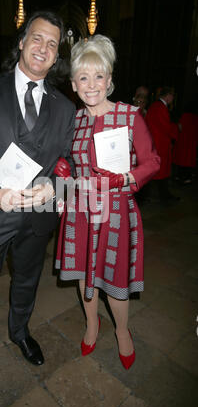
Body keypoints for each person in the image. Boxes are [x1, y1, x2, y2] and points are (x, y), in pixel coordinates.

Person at [0, 10, 76, 404]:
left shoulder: (65, 109)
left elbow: (71, 162)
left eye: (52, 43)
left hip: (37, 217)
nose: (43, 47)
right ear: (22, 42)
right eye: (37, 38)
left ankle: (20, 333)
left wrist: (53, 187)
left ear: (56, 57)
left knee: (26, 280)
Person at [56, 35, 160, 369]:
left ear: (110, 80)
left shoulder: (130, 116)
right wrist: (62, 174)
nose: (91, 84)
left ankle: (123, 331)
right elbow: (68, 164)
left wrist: (124, 179)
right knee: (85, 275)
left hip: (116, 211)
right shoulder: (73, 121)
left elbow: (152, 162)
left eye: (98, 76)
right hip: (81, 210)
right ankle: (91, 324)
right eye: (83, 77)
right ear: (74, 83)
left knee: (115, 280)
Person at [145, 87, 180, 203]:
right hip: (160, 144)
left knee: (154, 172)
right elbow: (166, 127)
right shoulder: (160, 107)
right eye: (172, 96)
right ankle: (164, 197)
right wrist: (177, 128)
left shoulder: (155, 106)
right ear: (168, 95)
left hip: (155, 143)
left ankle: (158, 196)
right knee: (160, 172)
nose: (173, 98)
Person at [173, 102, 198, 184]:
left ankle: (178, 176)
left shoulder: (184, 116)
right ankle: (187, 177)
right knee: (189, 159)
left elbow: (180, 127)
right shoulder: (196, 118)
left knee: (181, 158)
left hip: (183, 141)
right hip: (191, 142)